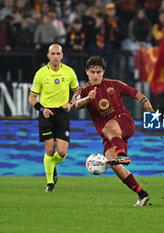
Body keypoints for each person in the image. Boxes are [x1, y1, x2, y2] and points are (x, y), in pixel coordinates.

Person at [75, 56, 153, 206]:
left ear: (103, 71)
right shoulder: (83, 91)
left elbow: (138, 95)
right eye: (92, 72)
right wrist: (87, 99)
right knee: (113, 162)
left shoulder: (115, 84)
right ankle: (141, 194)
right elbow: (77, 104)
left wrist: (151, 113)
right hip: (109, 135)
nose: (96, 75)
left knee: (109, 128)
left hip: (123, 122)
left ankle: (122, 154)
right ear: (87, 72)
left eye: (99, 71)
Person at [28, 44, 79, 192]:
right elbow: (32, 98)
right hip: (46, 113)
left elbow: (78, 93)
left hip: (63, 114)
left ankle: (51, 165)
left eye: (58, 54)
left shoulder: (69, 72)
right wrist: (42, 109)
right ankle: (50, 183)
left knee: (62, 152)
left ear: (62, 56)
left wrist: (71, 104)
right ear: (48, 56)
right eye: (53, 54)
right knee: (49, 150)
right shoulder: (41, 74)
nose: (56, 56)